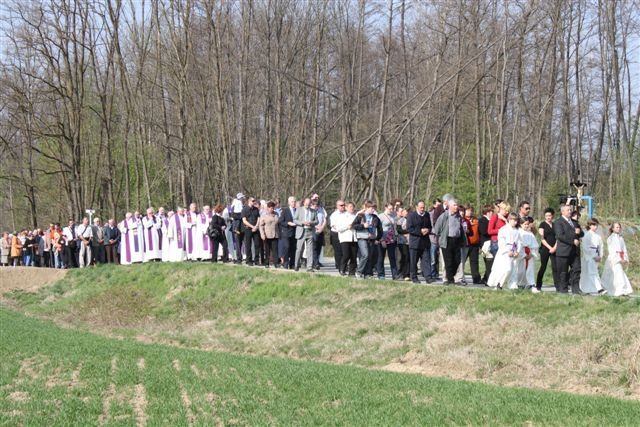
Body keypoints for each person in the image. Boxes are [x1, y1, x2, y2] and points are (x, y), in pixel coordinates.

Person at [433, 199, 467, 285]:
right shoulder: (444, 216)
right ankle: (450, 280)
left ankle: (452, 276)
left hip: (457, 240)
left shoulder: (458, 216)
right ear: (449, 206)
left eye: (457, 205)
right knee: (448, 261)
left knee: (457, 260)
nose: (456, 207)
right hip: (447, 240)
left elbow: (460, 229)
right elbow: (436, 229)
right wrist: (441, 238)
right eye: (454, 205)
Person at [553, 205, 583, 294]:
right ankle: (563, 290)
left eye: (570, 210)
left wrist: (579, 232)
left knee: (576, 270)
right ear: (562, 212)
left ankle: (576, 290)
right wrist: (573, 241)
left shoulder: (574, 222)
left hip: (575, 251)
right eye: (568, 210)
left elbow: (582, 233)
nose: (570, 211)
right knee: (563, 272)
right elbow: (560, 236)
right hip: (563, 251)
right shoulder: (558, 222)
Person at [487, 213, 521, 289]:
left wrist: (517, 251)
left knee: (513, 270)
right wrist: (507, 251)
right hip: (505, 252)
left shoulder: (517, 231)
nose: (515, 222)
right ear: (509, 219)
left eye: (516, 221)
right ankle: (499, 284)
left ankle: (512, 285)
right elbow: (501, 242)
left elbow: (519, 242)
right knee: (506, 268)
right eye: (513, 220)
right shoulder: (503, 229)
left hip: (513, 251)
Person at [352, 201, 383, 279]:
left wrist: (377, 238)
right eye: (371, 208)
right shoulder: (360, 216)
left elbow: (380, 229)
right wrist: (363, 226)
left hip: (371, 239)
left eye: (374, 208)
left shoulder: (375, 217)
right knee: (365, 255)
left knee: (370, 256)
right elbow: (354, 226)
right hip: (362, 238)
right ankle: (359, 271)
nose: (373, 210)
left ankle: (368, 274)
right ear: (366, 208)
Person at [601, 222, 633, 296]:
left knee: (618, 274)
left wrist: (625, 258)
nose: (618, 229)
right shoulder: (610, 238)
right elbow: (612, 250)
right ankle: (619, 291)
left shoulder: (621, 238)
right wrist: (618, 259)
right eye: (616, 227)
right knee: (617, 274)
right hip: (613, 259)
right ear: (613, 228)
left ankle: (621, 290)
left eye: (619, 227)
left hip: (620, 258)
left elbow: (624, 249)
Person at [406, 200, 433, 284]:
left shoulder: (427, 215)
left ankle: (428, 277)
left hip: (425, 242)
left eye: (423, 207)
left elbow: (430, 226)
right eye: (421, 207)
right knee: (414, 261)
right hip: (415, 243)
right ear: (416, 207)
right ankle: (414, 277)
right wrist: (420, 231)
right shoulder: (411, 216)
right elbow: (409, 228)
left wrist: (428, 230)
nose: (422, 209)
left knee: (426, 260)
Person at [579, 218, 606, 295]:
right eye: (593, 225)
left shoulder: (598, 236)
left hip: (596, 255)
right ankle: (600, 289)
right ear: (589, 225)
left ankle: (585, 288)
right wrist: (593, 256)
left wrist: (600, 256)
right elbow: (585, 247)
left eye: (596, 225)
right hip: (589, 257)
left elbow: (601, 247)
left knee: (592, 272)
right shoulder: (587, 235)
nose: (595, 227)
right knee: (592, 273)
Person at [536, 208, 558, 291]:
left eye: (549, 215)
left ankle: (557, 285)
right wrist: (550, 248)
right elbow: (542, 238)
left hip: (554, 248)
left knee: (555, 267)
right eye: (546, 216)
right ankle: (538, 285)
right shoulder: (542, 224)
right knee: (543, 266)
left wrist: (554, 248)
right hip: (545, 248)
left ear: (552, 216)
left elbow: (558, 237)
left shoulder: (555, 225)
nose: (548, 217)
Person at [294, 198, 318, 272]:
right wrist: (302, 222)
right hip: (302, 231)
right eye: (306, 203)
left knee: (310, 250)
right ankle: (296, 265)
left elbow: (317, 221)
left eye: (309, 203)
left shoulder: (313, 211)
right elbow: (295, 220)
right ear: (303, 203)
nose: (307, 205)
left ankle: (309, 267)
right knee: (299, 249)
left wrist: (311, 222)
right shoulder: (299, 210)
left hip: (310, 231)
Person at [377, 203, 399, 280]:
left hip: (391, 239)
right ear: (385, 208)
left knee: (392, 257)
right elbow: (378, 229)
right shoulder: (380, 216)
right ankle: (381, 274)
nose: (391, 210)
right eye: (390, 209)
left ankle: (395, 275)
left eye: (392, 209)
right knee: (381, 257)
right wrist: (381, 239)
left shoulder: (393, 216)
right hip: (383, 239)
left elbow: (394, 227)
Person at [460, 206, 481, 284]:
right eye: (468, 211)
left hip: (474, 244)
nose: (470, 212)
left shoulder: (476, 220)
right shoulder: (463, 220)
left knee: (474, 262)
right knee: (462, 262)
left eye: (471, 211)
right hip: (466, 244)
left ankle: (476, 279)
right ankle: (459, 277)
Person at [517, 217, 540, 291]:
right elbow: (517, 245)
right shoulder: (518, 232)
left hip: (529, 254)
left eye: (527, 224)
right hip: (521, 254)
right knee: (520, 270)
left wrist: (532, 254)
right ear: (520, 224)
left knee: (530, 270)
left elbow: (535, 245)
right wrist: (523, 255)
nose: (526, 226)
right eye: (525, 224)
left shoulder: (530, 234)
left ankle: (531, 284)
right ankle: (520, 284)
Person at [336, 202, 357, 276]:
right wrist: (347, 227)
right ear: (346, 208)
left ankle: (352, 272)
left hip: (354, 238)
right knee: (346, 255)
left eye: (353, 206)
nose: (352, 208)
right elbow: (338, 228)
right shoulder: (341, 216)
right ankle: (342, 269)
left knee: (353, 256)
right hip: (345, 238)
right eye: (350, 206)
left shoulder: (355, 216)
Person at [258, 201, 280, 268]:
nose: (272, 209)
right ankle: (267, 263)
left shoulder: (276, 214)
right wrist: (262, 234)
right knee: (267, 250)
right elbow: (261, 226)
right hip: (267, 235)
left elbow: (278, 223)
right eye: (271, 208)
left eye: (273, 208)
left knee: (275, 250)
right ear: (268, 208)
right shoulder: (264, 215)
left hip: (275, 234)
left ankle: (276, 263)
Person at [242, 197, 261, 266]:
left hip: (255, 229)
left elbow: (258, 218)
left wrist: (256, 226)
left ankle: (256, 260)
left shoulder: (256, 209)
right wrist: (252, 227)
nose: (254, 202)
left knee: (257, 244)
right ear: (249, 201)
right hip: (248, 229)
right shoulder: (244, 209)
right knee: (248, 245)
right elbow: (244, 221)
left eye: (254, 201)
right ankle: (249, 260)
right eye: (253, 201)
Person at [428, 199, 444, 279]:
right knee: (433, 258)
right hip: (433, 239)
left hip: (440, 239)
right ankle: (432, 273)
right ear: (434, 205)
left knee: (437, 258)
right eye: (437, 205)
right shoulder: (430, 214)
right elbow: (431, 226)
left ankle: (436, 274)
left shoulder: (442, 214)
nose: (439, 207)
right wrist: (437, 231)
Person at [478, 204, 494, 284]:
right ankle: (486, 279)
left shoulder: (491, 220)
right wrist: (492, 231)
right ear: (487, 212)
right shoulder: (482, 220)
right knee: (488, 262)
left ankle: (486, 278)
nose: (492, 213)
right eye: (491, 211)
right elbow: (483, 231)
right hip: (485, 244)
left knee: (491, 262)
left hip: (491, 243)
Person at [329, 200, 346, 271]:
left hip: (344, 233)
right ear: (337, 206)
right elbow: (333, 225)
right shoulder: (334, 215)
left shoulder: (346, 214)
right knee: (338, 251)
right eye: (341, 205)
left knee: (344, 251)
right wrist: (342, 228)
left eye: (344, 205)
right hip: (336, 234)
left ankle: (344, 265)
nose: (343, 206)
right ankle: (339, 266)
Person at [311, 194, 327, 269]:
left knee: (319, 247)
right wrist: (316, 227)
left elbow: (324, 219)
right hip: (313, 230)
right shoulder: (310, 209)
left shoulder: (321, 209)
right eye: (315, 198)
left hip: (321, 230)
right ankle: (315, 263)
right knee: (313, 247)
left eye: (317, 198)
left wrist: (322, 227)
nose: (316, 199)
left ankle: (317, 261)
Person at [396, 208, 410, 281]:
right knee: (403, 257)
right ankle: (401, 273)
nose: (406, 213)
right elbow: (399, 230)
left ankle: (407, 274)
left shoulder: (410, 220)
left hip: (410, 242)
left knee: (408, 258)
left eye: (407, 212)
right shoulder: (400, 221)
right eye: (405, 212)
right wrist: (408, 231)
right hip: (402, 242)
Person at [231, 193, 246, 263]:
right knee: (238, 244)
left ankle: (247, 257)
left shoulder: (244, 206)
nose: (243, 199)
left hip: (243, 227)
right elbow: (233, 215)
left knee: (245, 243)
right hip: (237, 227)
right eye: (242, 198)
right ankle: (239, 258)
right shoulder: (234, 206)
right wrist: (242, 216)